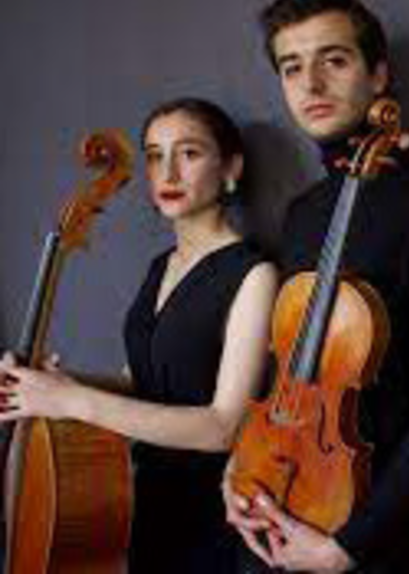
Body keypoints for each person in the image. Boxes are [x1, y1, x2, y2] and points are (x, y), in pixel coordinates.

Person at [221, 0, 409, 574]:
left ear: (378, 76)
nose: (310, 85)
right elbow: (284, 376)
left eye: (333, 61)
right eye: (291, 68)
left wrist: (348, 546)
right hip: (275, 504)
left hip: (372, 535)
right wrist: (238, 477)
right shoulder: (303, 213)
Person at [0, 97, 279, 573]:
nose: (168, 171)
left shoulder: (254, 274)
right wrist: (49, 385)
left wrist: (73, 402)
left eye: (189, 153)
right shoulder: (160, 268)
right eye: (154, 155)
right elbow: (141, 380)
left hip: (215, 517)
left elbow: (222, 426)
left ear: (230, 168)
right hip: (144, 503)